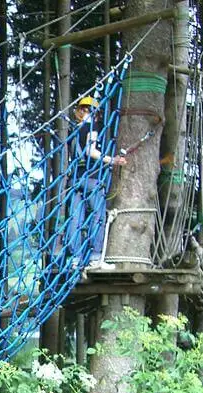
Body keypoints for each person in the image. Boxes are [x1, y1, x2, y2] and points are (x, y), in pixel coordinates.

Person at [66, 97, 126, 270]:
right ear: (96, 114)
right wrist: (113, 160)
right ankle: (95, 257)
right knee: (98, 217)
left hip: (75, 179)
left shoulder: (73, 132)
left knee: (75, 219)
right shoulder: (92, 127)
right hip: (91, 178)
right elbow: (91, 151)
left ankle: (75, 259)